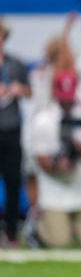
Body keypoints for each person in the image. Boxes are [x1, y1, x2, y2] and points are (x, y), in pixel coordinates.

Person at [29, 71, 81, 248]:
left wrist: (79, 147)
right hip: (54, 192)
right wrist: (57, 166)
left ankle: (73, 226)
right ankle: (37, 228)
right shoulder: (43, 120)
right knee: (58, 242)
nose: (67, 102)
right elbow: (41, 160)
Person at [0, 19, 31, 247]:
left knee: (12, 183)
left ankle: (11, 232)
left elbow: (30, 91)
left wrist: (19, 89)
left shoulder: (15, 64)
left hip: (11, 129)